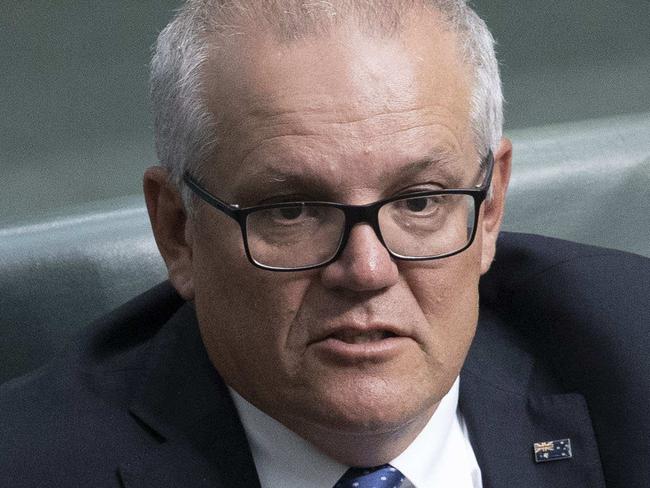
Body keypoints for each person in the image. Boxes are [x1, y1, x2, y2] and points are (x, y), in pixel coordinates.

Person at [1, 1, 648, 487]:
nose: (366, 270)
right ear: (178, 231)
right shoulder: (33, 464)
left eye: (419, 201)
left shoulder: (631, 355)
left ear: (490, 212)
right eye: (292, 210)